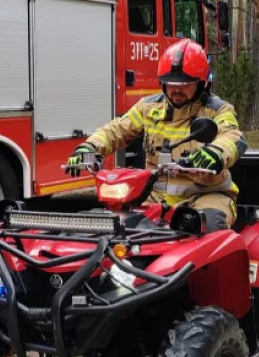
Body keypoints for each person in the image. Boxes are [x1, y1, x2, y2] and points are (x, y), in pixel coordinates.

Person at [65, 39, 247, 231]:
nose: (176, 89)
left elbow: (233, 136)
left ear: (202, 84)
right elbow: (116, 130)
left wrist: (216, 152)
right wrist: (89, 147)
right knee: (112, 229)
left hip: (207, 197)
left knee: (208, 227)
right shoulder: (148, 107)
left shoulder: (217, 110)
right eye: (170, 83)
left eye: (185, 84)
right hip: (154, 199)